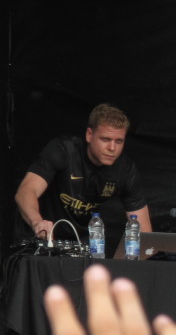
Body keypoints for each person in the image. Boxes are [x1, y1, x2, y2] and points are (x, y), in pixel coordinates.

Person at [14, 102, 153, 242]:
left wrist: (146, 255)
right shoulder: (63, 151)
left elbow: (143, 229)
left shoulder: (125, 169)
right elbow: (26, 191)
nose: (112, 147)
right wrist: (37, 222)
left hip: (81, 243)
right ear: (89, 135)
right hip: (39, 238)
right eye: (106, 139)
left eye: (119, 141)